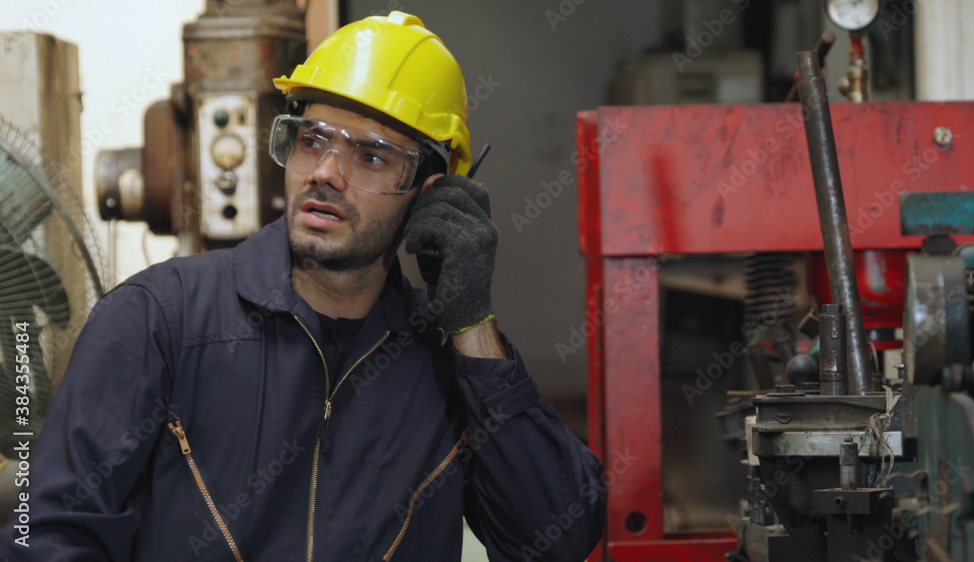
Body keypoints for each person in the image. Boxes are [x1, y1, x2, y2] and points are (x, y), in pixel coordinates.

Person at [0, 10, 605, 561]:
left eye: (370, 156)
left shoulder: (448, 365)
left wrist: (472, 326)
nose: (324, 173)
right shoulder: (156, 321)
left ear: (434, 193)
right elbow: (45, 536)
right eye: (313, 139)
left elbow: (558, 538)